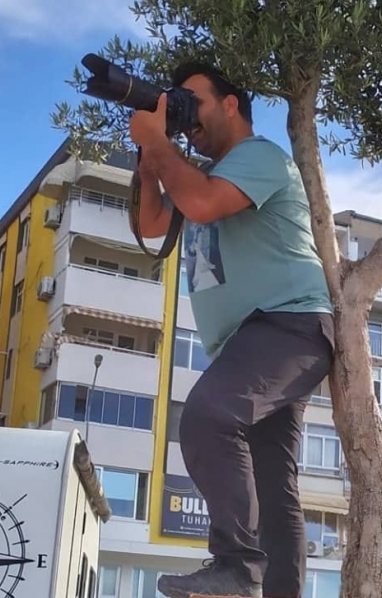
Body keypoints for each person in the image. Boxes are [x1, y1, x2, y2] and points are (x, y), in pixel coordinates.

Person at [128, 62, 335, 598]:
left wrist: (160, 144)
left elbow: (199, 204)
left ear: (230, 104)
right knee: (273, 487)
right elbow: (151, 224)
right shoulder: (199, 176)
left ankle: (237, 568)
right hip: (249, 343)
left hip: (288, 326)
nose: (185, 115)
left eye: (192, 101)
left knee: (206, 416)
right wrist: (151, 155)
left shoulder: (257, 158)